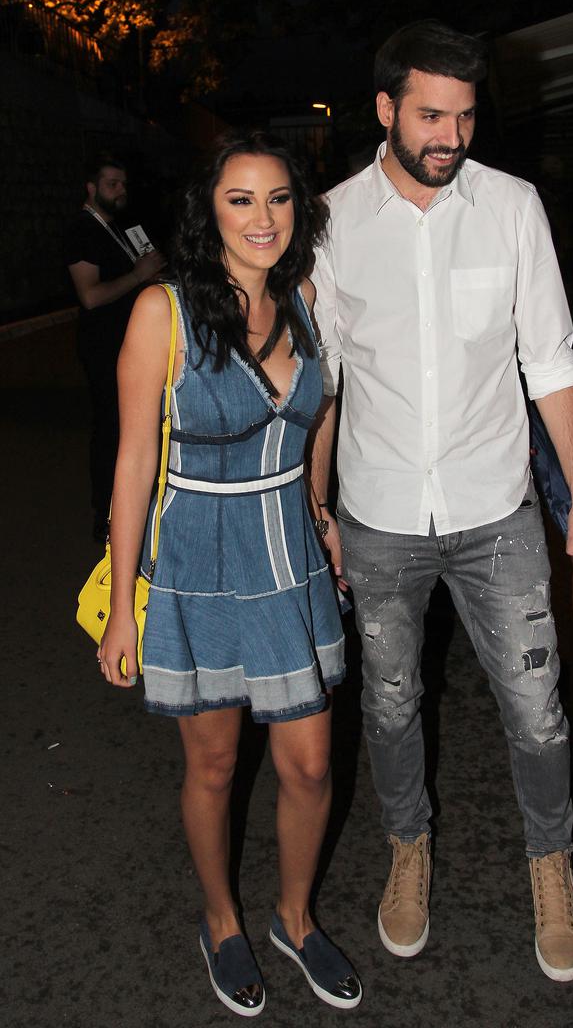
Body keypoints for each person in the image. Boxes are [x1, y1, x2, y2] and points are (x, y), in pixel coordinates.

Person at [309, 20, 573, 983]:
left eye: (465, 115)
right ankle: (409, 851)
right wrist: (314, 505)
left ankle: (551, 865)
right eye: (431, 114)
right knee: (393, 706)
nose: (450, 134)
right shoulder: (329, 223)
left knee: (538, 712)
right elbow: (321, 381)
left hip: (498, 511)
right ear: (385, 109)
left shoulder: (513, 207)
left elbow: (551, 360)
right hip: (378, 514)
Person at [97, 130, 362, 1016]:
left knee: (312, 765)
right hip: (198, 562)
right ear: (210, 212)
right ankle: (220, 920)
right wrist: (124, 607)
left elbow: (316, 417)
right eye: (242, 199)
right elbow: (135, 463)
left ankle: (294, 916)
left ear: (300, 208)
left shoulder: (307, 299)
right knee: (213, 767)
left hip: (287, 556)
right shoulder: (163, 313)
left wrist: (320, 510)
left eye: (279, 198)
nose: (263, 217)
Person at [65, 152, 166, 541]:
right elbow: (90, 296)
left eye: (123, 183)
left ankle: (135, 510)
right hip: (104, 346)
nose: (121, 190)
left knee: (139, 427)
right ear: (91, 188)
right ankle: (105, 515)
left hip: (132, 342)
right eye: (111, 183)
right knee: (112, 429)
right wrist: (138, 275)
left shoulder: (117, 228)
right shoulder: (82, 230)